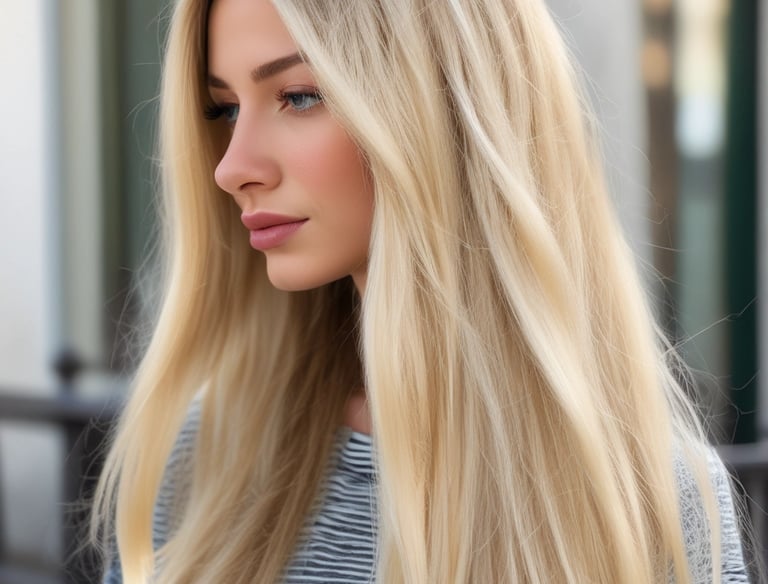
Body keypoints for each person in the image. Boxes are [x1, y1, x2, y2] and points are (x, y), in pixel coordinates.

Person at [92, 0, 751, 582]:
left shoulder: (648, 498)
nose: (232, 166)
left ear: (444, 104)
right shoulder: (205, 457)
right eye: (225, 108)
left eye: (297, 95)